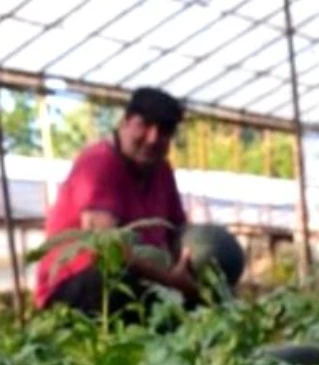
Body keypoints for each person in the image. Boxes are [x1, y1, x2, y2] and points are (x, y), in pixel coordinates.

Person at [32, 87, 200, 324]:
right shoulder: (99, 162)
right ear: (124, 122)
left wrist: (202, 263)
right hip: (74, 288)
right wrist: (171, 280)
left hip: (142, 282)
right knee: (114, 281)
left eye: (164, 131)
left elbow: (178, 233)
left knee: (202, 298)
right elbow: (108, 248)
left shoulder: (162, 171)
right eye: (144, 125)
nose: (153, 138)